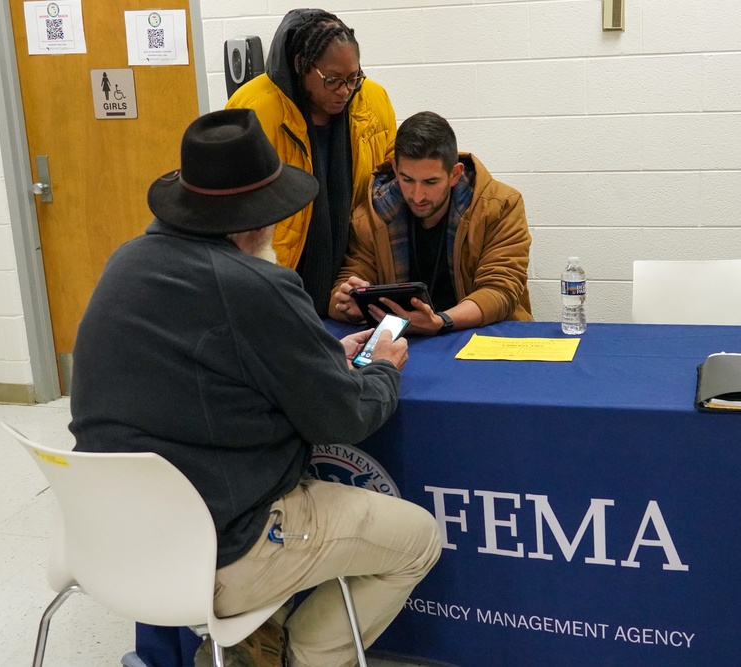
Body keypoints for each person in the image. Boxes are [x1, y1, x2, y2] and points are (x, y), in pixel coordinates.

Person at [69, 109, 441, 667]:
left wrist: (317, 358)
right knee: (419, 539)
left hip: (106, 540)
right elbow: (343, 418)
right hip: (221, 547)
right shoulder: (258, 284)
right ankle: (308, 655)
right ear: (259, 222)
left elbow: (202, 372)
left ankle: (256, 642)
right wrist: (383, 367)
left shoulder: (126, 263)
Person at [227, 8, 397, 316]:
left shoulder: (373, 100)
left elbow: (387, 190)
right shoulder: (254, 109)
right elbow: (235, 216)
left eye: (353, 77)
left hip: (351, 281)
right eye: (332, 80)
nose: (345, 90)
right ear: (300, 66)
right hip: (276, 286)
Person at [329, 111, 533, 335]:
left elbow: (500, 290)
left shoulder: (500, 206)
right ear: (395, 169)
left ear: (455, 174)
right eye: (407, 180)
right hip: (406, 340)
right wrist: (350, 303)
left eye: (430, 182)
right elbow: (349, 279)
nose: (417, 196)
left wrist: (440, 321)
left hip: (485, 335)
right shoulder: (370, 215)